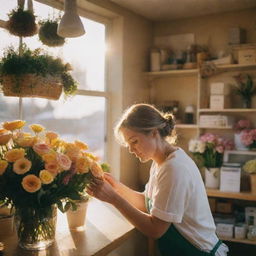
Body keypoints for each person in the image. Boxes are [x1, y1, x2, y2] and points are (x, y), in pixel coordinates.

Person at [88, 103, 229, 256]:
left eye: (134, 141)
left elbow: (155, 229)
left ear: (154, 133)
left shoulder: (174, 168)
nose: (130, 149)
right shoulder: (160, 161)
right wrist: (117, 187)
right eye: (128, 144)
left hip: (198, 251)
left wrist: (114, 199)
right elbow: (148, 203)